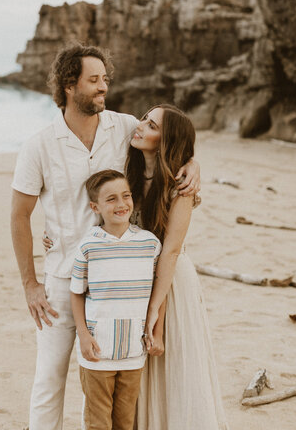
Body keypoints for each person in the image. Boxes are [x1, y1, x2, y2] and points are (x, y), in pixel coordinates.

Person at [10, 44, 200, 430]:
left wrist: (196, 165)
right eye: (94, 81)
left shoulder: (125, 126)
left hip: (123, 281)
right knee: (49, 380)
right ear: (69, 85)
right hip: (63, 281)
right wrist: (31, 284)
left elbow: (169, 140)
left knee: (109, 386)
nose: (103, 88)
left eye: (105, 80)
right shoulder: (38, 146)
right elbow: (19, 216)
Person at [126, 104, 229, 430]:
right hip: (137, 277)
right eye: (144, 118)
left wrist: (155, 307)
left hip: (171, 281)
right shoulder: (129, 168)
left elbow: (170, 251)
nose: (140, 126)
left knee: (176, 364)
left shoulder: (180, 186)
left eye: (151, 125)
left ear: (166, 140)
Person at [70, 169, 161, 430]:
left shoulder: (149, 244)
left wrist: (158, 332)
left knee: (125, 421)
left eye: (126, 196)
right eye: (111, 199)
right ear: (95, 206)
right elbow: (76, 293)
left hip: (134, 351)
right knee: (98, 422)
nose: (121, 204)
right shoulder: (89, 245)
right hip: (97, 353)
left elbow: (158, 293)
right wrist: (84, 335)